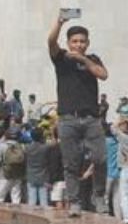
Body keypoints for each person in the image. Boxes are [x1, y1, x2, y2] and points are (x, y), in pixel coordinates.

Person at [47, 15, 109, 213]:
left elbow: (103, 74)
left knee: (100, 158)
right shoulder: (61, 58)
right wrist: (60, 22)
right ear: (68, 43)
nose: (78, 44)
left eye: (82, 41)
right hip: (68, 118)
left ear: (87, 43)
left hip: (91, 118)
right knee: (71, 162)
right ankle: (74, 201)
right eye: (74, 41)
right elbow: (50, 42)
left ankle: (98, 196)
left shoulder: (92, 59)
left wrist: (83, 59)